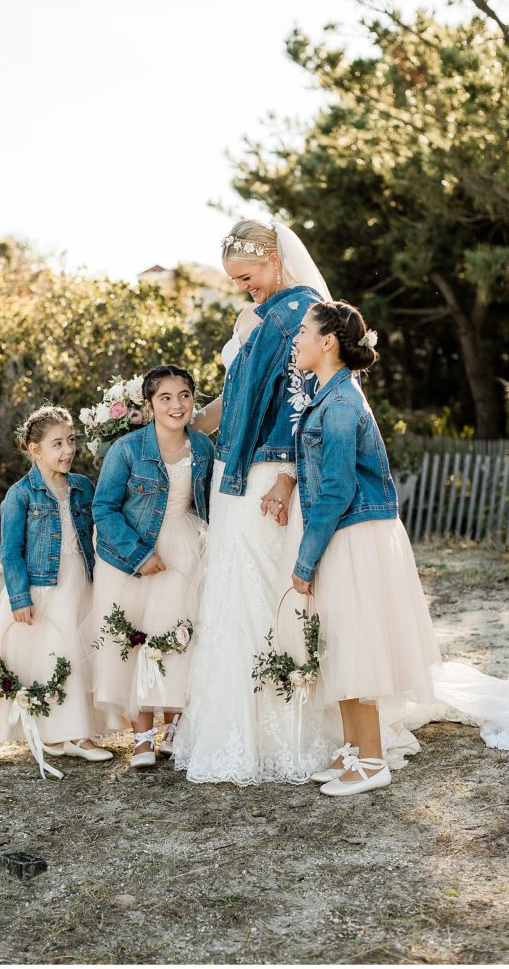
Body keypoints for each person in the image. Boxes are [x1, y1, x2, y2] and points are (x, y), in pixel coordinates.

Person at [173, 219, 333, 785]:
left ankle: (282, 723)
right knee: (232, 589)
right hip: (232, 469)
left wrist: (289, 474)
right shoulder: (262, 313)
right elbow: (236, 395)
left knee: (264, 589)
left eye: (248, 275)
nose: (244, 286)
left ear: (274, 258)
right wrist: (187, 423)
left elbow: (304, 394)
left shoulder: (304, 312)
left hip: (267, 471)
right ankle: (233, 722)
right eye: (235, 280)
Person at [289, 300, 442, 795]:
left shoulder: (338, 404)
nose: (297, 340)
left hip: (353, 533)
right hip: (346, 531)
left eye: (304, 332)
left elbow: (335, 489)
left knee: (354, 642)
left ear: (328, 342)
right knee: (342, 643)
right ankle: (354, 750)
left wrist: (304, 560)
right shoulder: (329, 392)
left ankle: (373, 762)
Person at [0, 404, 113, 766]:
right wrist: (19, 597)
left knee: (81, 651)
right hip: (44, 586)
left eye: (71, 441)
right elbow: (10, 551)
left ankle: (71, 732)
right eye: (57, 444)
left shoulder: (81, 486)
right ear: (35, 450)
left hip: (81, 579)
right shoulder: (20, 495)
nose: (68, 451)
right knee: (52, 657)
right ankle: (67, 734)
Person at [91, 365, 214, 768]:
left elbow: (208, 505)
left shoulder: (203, 448)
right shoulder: (126, 449)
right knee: (136, 638)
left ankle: (175, 728)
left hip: (185, 549)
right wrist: (138, 555)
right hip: (133, 552)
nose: (176, 405)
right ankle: (141, 736)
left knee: (179, 635)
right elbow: (104, 508)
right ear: (149, 405)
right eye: (165, 397)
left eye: (184, 396)